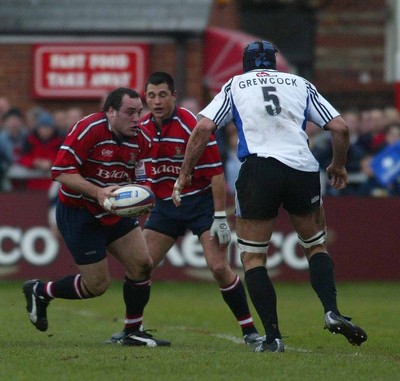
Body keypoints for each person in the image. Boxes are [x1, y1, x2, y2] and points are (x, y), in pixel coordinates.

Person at [172, 41, 368, 352]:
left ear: (245, 63)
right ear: (274, 63)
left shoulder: (235, 84)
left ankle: (273, 337)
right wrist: (338, 166)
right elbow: (341, 129)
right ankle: (332, 311)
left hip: (259, 169)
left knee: (252, 257)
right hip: (302, 169)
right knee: (315, 246)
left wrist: (184, 173)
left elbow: (202, 128)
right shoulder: (300, 83)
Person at [107, 72, 262, 350]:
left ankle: (250, 331)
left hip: (200, 204)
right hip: (165, 206)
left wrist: (219, 218)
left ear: (173, 96)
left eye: (162, 95)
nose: (156, 101)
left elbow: (216, 175)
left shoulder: (193, 125)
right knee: (139, 265)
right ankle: (132, 330)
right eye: (151, 96)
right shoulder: (140, 128)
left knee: (218, 267)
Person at [22, 87, 170, 347]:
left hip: (113, 210)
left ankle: (132, 330)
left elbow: (142, 176)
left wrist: (144, 194)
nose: (137, 118)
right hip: (79, 212)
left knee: (142, 264)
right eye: (129, 112)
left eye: (139, 112)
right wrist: (98, 192)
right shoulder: (89, 129)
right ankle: (41, 290)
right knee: (97, 285)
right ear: (111, 112)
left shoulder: (143, 138)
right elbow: (60, 171)